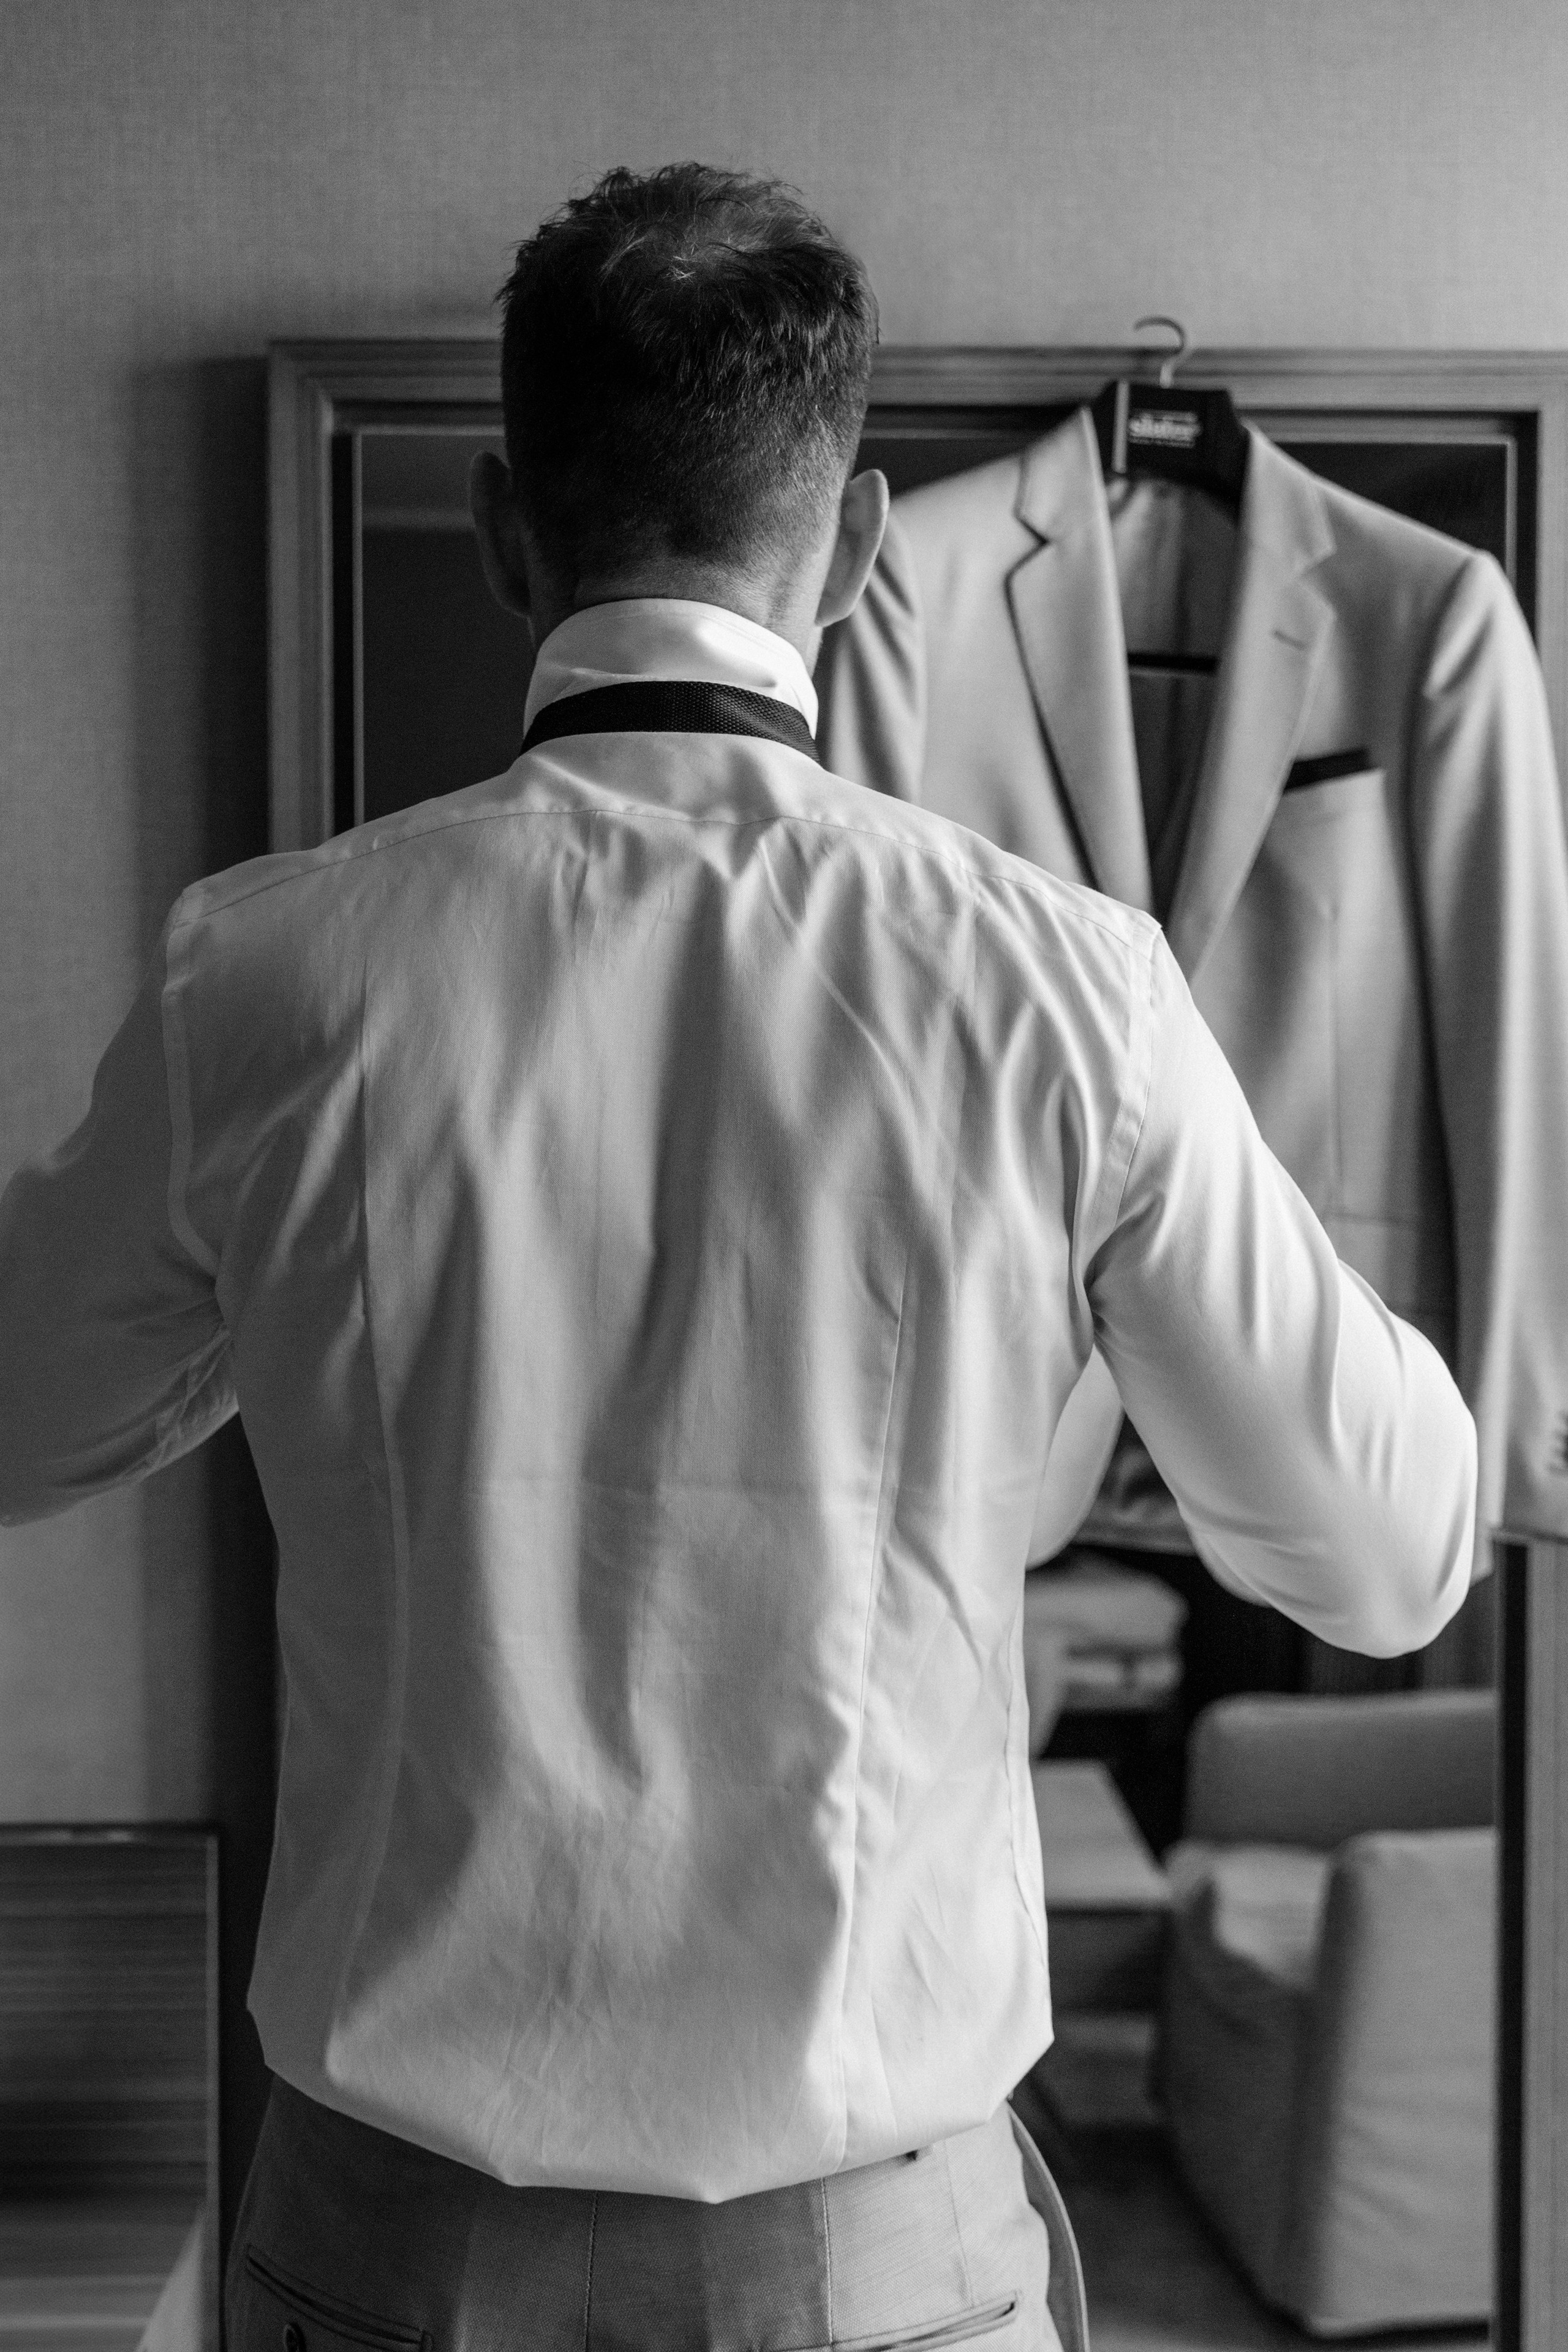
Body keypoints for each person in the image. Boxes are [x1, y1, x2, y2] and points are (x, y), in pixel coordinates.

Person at [0, 162, 1475, 2352]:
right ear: (862, 547)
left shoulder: (271, 986)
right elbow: (1392, 1556)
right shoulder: (1067, 993)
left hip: (391, 2262)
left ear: (508, 527)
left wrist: (281, 1305)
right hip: (883, 2282)